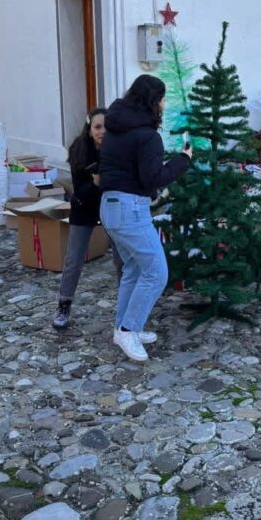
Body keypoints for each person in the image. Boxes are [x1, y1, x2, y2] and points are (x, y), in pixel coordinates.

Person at [99, 75, 192, 362]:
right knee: (157, 272)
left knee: (133, 269)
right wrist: (184, 160)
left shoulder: (116, 127)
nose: (165, 104)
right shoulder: (148, 136)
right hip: (130, 210)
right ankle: (128, 330)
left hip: (110, 206)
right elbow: (153, 178)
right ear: (154, 101)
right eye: (163, 98)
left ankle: (124, 327)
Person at [52, 108, 123, 329]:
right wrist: (95, 183)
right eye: (98, 127)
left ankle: (126, 307)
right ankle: (64, 305)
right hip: (84, 208)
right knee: (74, 259)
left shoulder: (119, 149)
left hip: (111, 209)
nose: (102, 132)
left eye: (106, 127)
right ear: (89, 129)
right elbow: (79, 194)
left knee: (121, 258)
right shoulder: (79, 151)